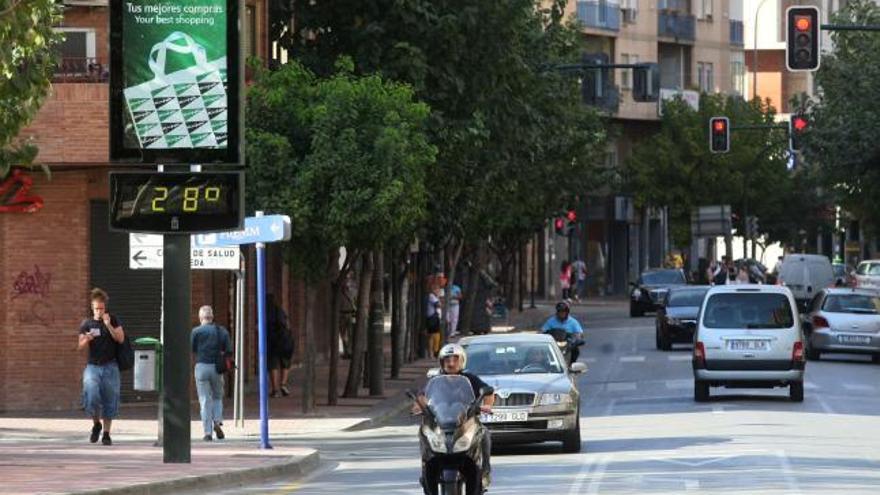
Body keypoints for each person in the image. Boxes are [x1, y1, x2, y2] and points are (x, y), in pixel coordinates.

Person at [414, 344, 495, 489]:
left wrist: (487, 405)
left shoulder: (470, 378)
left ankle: (485, 471)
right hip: (440, 423)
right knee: (424, 431)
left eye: (455, 359)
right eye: (447, 360)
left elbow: (488, 392)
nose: (451, 363)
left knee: (484, 433)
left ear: (462, 361)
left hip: (465, 422)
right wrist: (420, 407)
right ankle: (425, 468)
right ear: (441, 362)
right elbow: (422, 395)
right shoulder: (435, 380)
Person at [78, 288, 125, 446]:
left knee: (110, 400)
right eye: (96, 308)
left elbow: (120, 339)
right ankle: (96, 423)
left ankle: (106, 433)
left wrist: (108, 324)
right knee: (91, 397)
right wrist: (87, 339)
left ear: (105, 307)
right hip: (93, 366)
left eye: (102, 308)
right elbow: (80, 345)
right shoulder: (87, 323)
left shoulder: (113, 319)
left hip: (111, 366)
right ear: (92, 307)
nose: (99, 311)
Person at [191, 305, 231, 441]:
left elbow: (192, 348)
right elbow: (228, 350)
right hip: (217, 368)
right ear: (212, 317)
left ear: (200, 318)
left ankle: (207, 433)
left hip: (201, 367)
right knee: (217, 397)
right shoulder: (222, 331)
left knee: (204, 399)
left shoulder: (196, 331)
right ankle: (217, 421)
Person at [267, 294, 294, 398]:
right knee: (285, 363)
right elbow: (286, 324)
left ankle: (275, 389)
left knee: (273, 364)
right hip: (284, 340)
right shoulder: (280, 311)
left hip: (271, 341)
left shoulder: (265, 312)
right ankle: (283, 384)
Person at [426, 287, 442, 357]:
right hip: (432, 318)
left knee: (435, 335)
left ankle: (434, 351)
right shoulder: (431, 296)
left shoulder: (433, 296)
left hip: (434, 317)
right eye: (437, 289)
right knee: (433, 335)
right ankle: (433, 352)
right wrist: (438, 297)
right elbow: (438, 304)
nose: (438, 291)